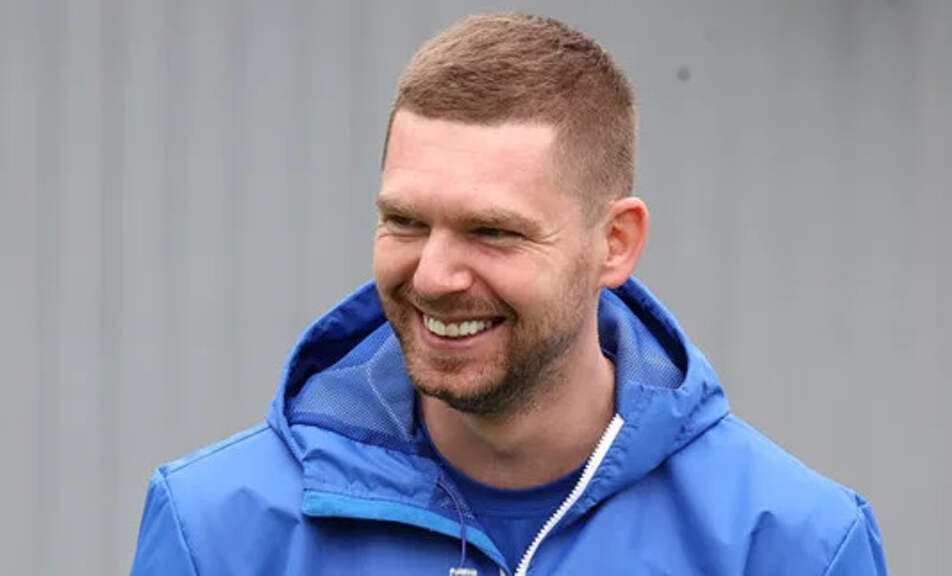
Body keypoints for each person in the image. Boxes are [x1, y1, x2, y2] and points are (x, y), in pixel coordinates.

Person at [131, 13, 887, 576]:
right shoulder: (217, 532)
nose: (434, 276)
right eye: (406, 221)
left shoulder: (794, 546)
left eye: (492, 232)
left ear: (614, 242)